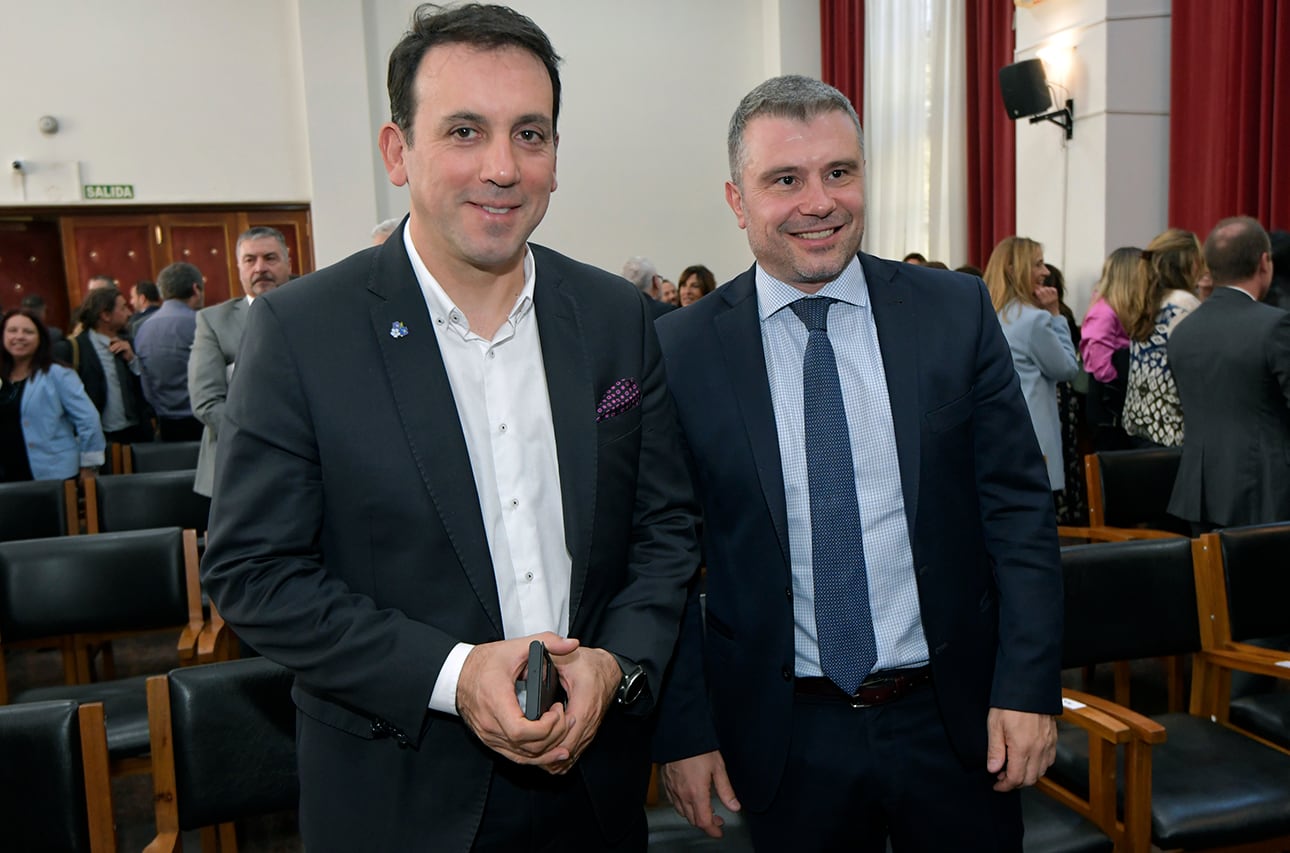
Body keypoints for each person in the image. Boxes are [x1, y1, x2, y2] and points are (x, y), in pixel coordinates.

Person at [199, 5, 699, 851]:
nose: (501, 167)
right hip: (398, 793)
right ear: (398, 152)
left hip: (594, 787)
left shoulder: (617, 318)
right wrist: (454, 675)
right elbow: (254, 571)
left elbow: (664, 532)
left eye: (530, 134)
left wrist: (615, 666)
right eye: (464, 130)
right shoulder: (304, 330)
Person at [652, 75, 1061, 852]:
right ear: (738, 201)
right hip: (782, 733)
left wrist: (1029, 685)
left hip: (955, 718)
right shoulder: (682, 350)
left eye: (839, 172)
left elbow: (1018, 510)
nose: (820, 201)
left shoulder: (954, 311)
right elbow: (662, 557)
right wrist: (682, 730)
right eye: (785, 179)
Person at [1168, 216, 1290, 530]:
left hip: (1200, 494)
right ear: (1265, 262)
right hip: (1265, 494)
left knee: (1211, 581)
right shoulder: (1276, 326)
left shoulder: (1183, 330)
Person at [187, 226, 292, 496]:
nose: (260, 268)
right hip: (238, 465)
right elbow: (207, 402)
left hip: (308, 466)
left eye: (270, 258)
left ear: (287, 261)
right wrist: (265, 441)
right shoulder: (213, 322)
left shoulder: (315, 312)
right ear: (238, 267)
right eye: (250, 260)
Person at [986, 236, 1080, 493]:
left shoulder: (988, 316)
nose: (1046, 272)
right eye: (1038, 264)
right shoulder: (1034, 320)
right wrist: (1055, 314)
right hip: (1033, 440)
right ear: (1014, 270)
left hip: (999, 436)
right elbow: (1067, 369)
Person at [0, 309, 104, 482]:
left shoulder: (57, 374)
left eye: (28, 332)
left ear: (40, 338)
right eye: (12, 331)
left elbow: (88, 419)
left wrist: (89, 465)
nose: (19, 336)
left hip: (53, 475)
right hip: (6, 475)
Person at [1122, 230, 1204, 447]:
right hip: (1173, 431)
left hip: (1142, 426)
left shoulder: (1146, 301)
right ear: (1188, 264)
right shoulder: (1185, 304)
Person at [55, 287, 153, 445]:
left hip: (135, 434)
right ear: (105, 315)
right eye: (122, 308)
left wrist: (133, 361)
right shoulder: (74, 348)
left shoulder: (131, 343)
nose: (129, 313)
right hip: (97, 437)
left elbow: (148, 390)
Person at [1080, 247, 1144, 451]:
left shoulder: (1118, 308)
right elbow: (1100, 366)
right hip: (1109, 413)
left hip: (1115, 409)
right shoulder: (1104, 311)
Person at [135, 263, 205, 442]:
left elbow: (146, 385)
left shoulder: (142, 328)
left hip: (165, 422)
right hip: (203, 420)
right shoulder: (202, 324)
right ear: (196, 289)